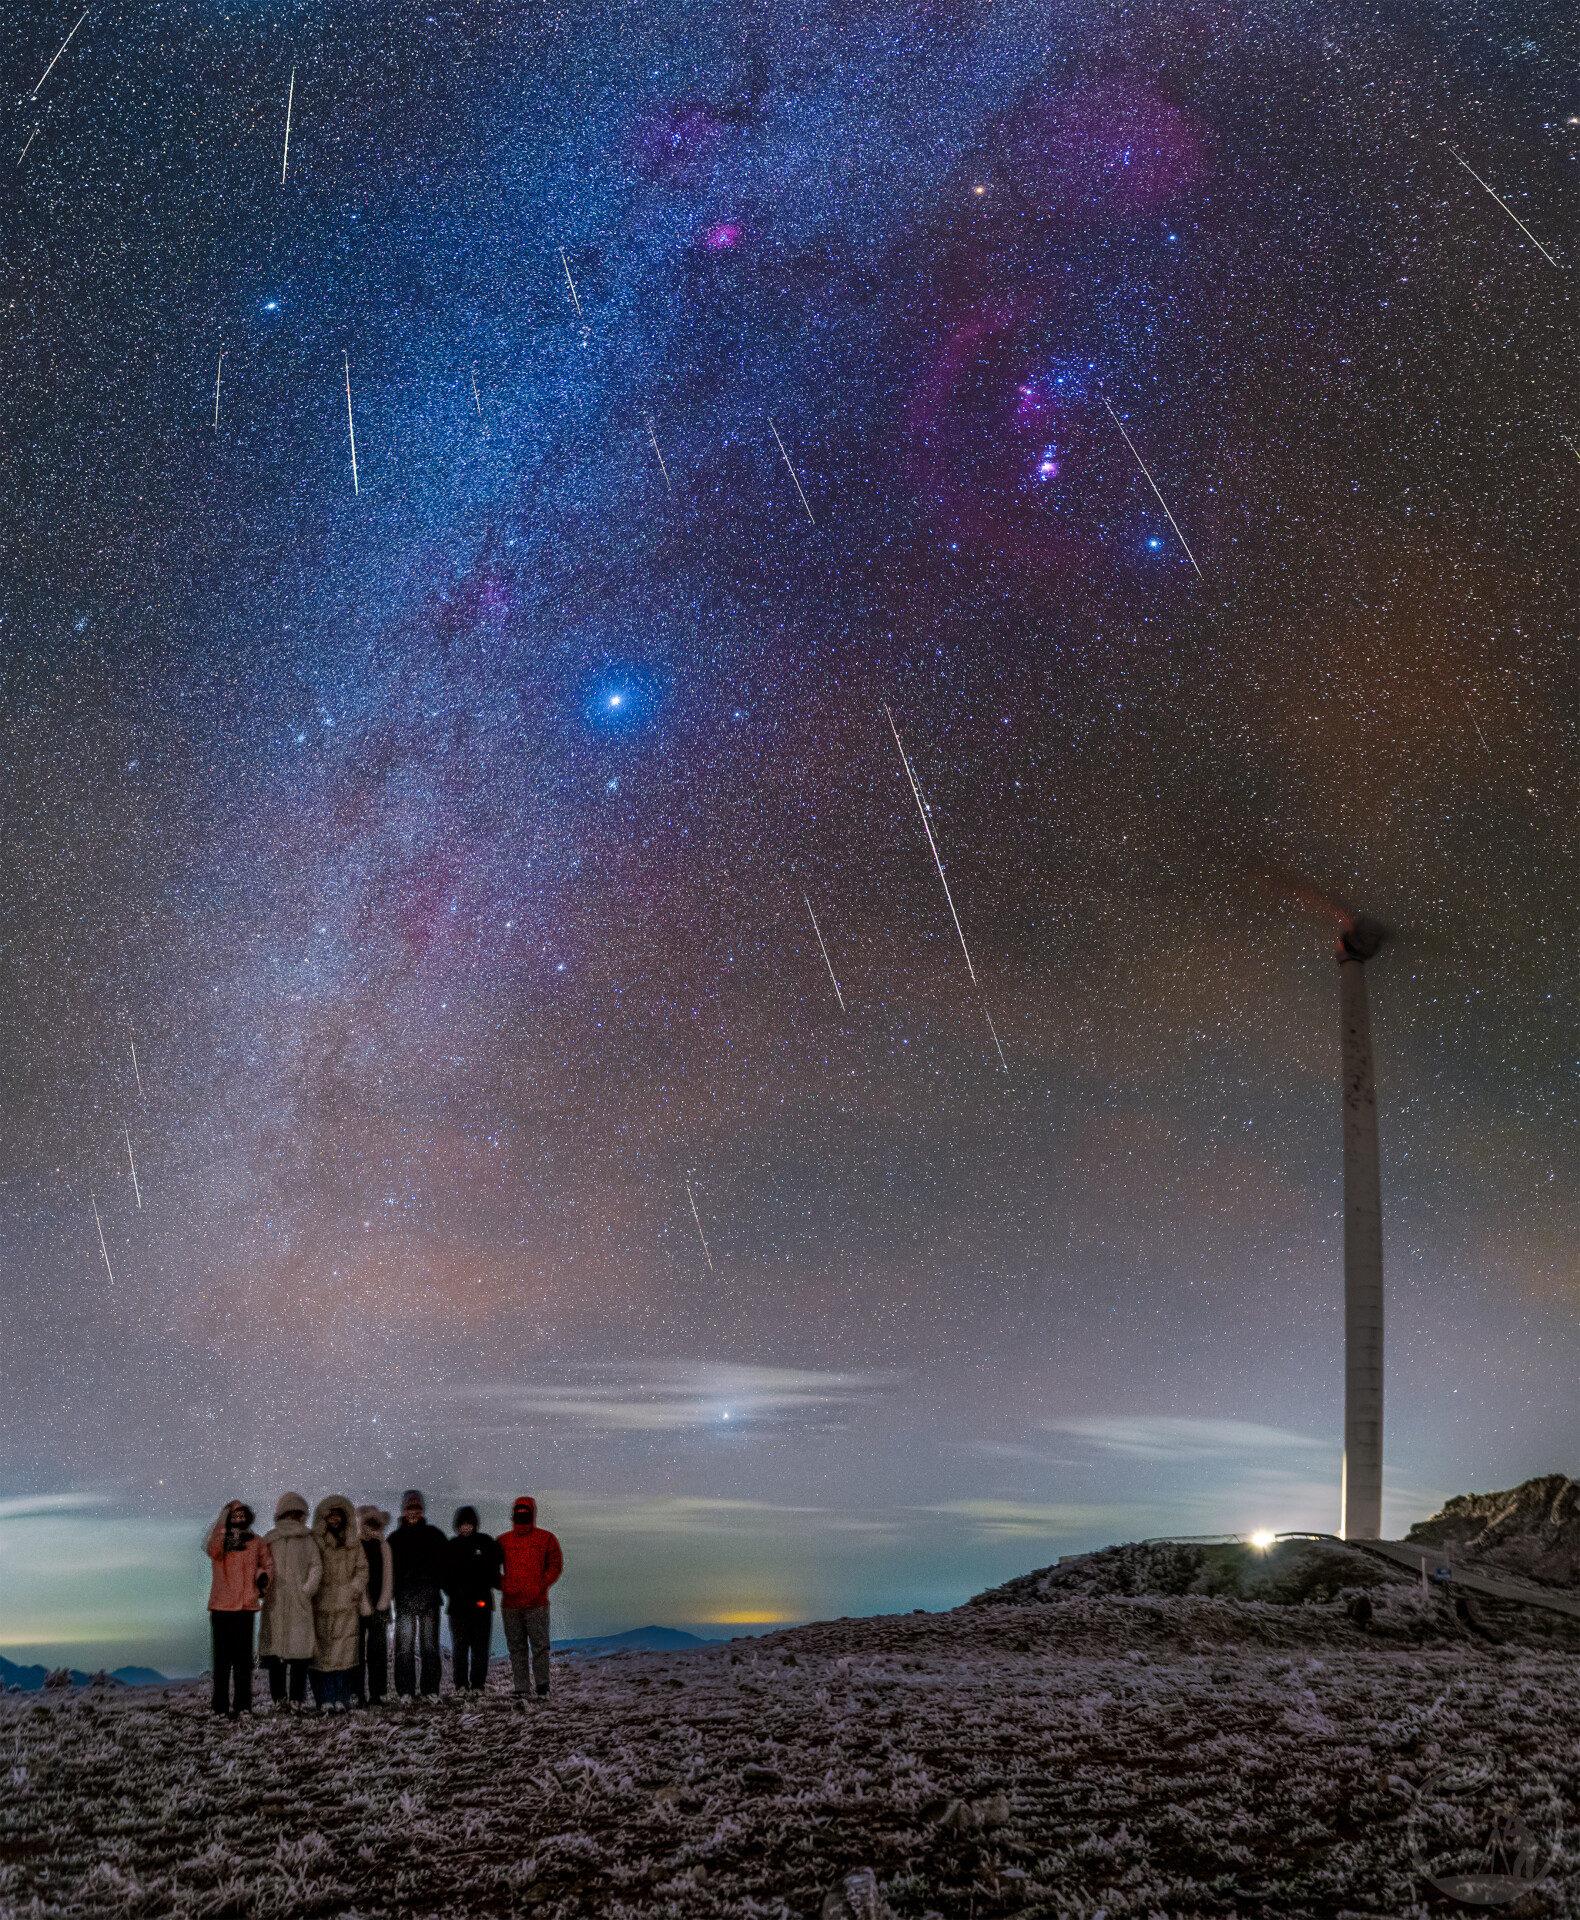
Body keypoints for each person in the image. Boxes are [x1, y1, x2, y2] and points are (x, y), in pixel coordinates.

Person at [203, 1501, 274, 1718]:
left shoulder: (256, 1542)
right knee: (222, 1661)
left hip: (245, 1606)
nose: (239, 1519)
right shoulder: (221, 1542)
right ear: (228, 1517)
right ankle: (220, 1707)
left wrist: (263, 1579)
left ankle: (244, 1706)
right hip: (221, 1607)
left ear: (249, 1517)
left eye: (243, 1515)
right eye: (235, 1515)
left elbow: (268, 1564)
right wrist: (222, 1523)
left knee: (243, 1661)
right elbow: (211, 1550)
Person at [258, 1492, 322, 1709]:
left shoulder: (307, 1539)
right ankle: (281, 1699)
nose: (293, 1518)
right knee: (277, 1655)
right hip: (275, 1601)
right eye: (290, 1513)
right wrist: (264, 1587)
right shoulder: (271, 1539)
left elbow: (316, 1566)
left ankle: (294, 1698)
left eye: (297, 1514)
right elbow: (261, 1566)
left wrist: (306, 1590)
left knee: (298, 1655)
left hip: (297, 1602)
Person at [498, 1495, 563, 1701]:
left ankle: (542, 1686)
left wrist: (540, 1584)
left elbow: (555, 1564)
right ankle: (522, 1688)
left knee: (539, 1646)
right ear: (513, 1515)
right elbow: (488, 1567)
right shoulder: (503, 1541)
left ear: (532, 1514)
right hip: (511, 1605)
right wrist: (504, 1585)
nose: (522, 1516)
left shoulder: (546, 1539)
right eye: (519, 1513)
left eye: (526, 1512)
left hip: (536, 1603)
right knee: (517, 1648)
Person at [309, 1494, 368, 1711]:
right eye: (330, 1516)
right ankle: (324, 1699)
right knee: (322, 1655)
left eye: (338, 1516)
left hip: (346, 1606)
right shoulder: (316, 1541)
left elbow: (362, 1570)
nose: (334, 1520)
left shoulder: (353, 1544)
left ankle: (341, 1698)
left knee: (344, 1654)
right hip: (321, 1604)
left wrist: (353, 1589)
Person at [388, 1489, 447, 1698]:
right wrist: (394, 1595)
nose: (413, 1512)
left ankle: (430, 1689)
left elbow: (444, 1566)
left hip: (429, 1599)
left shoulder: (434, 1536)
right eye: (409, 1508)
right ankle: (405, 1690)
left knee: (429, 1646)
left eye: (417, 1508)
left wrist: (434, 1588)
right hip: (404, 1600)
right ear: (403, 1511)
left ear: (422, 1510)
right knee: (404, 1648)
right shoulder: (394, 1539)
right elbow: (390, 1571)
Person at [443, 1506, 503, 1694]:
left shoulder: (485, 1543)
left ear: (475, 1524)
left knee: (480, 1648)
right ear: (457, 1526)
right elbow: (444, 1576)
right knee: (460, 1648)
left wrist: (494, 1584)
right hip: (458, 1607)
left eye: (469, 1524)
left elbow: (494, 1569)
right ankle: (460, 1685)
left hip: (481, 1605)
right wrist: (454, 1592)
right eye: (462, 1524)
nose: (466, 1528)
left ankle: (478, 1685)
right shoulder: (451, 1546)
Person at [356, 1506, 394, 1704]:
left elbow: (388, 1576)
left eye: (375, 1526)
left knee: (378, 1652)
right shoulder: (356, 1546)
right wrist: (364, 1604)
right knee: (357, 1651)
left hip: (380, 1605)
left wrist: (383, 1602)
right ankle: (358, 1693)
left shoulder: (384, 1547)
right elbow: (356, 1576)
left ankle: (377, 1693)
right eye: (369, 1525)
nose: (372, 1530)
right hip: (359, 1605)